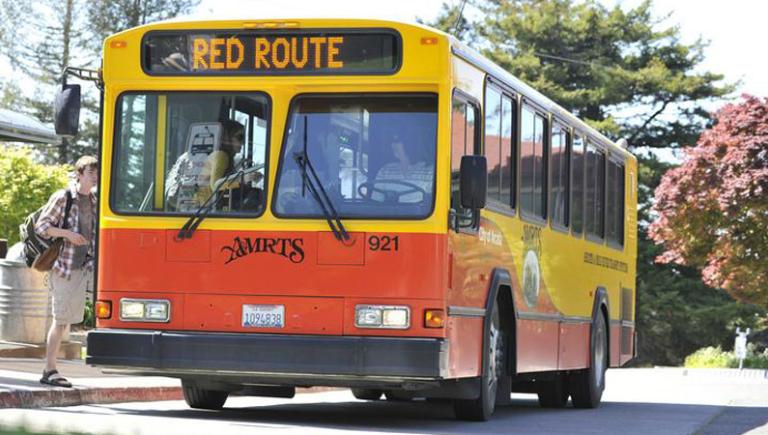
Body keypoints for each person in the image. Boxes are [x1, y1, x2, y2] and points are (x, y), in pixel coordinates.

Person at [35, 156, 98, 388]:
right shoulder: (64, 197)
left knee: (69, 320)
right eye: (91, 172)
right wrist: (67, 234)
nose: (95, 176)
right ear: (79, 173)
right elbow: (41, 227)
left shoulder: (93, 200)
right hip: (64, 267)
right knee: (60, 320)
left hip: (84, 267)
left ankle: (53, 368)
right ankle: (49, 370)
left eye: (96, 173)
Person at [370, 132, 434, 203]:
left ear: (409, 143)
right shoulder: (385, 170)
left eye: (397, 141)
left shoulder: (429, 171)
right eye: (392, 141)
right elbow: (376, 201)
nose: (392, 145)